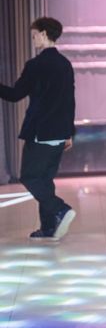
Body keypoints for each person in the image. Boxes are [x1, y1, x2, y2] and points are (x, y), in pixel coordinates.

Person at [0, 17, 77, 241]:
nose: (33, 39)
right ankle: (49, 228)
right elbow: (70, 101)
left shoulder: (35, 65)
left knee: (29, 176)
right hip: (59, 133)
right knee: (45, 179)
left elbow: (15, 95)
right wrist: (69, 132)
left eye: (34, 35)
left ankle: (60, 209)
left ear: (44, 34)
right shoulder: (65, 64)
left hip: (40, 133)